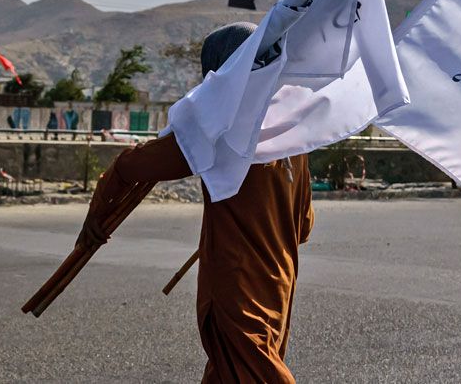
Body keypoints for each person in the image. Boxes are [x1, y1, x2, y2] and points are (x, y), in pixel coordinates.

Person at [78, 22, 314, 383]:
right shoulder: (291, 138)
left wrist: (97, 217)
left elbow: (132, 165)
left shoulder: (223, 128)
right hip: (278, 283)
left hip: (238, 292)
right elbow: (303, 226)